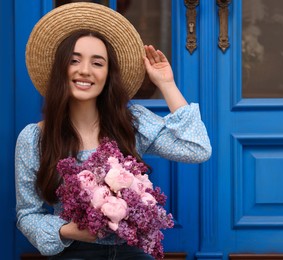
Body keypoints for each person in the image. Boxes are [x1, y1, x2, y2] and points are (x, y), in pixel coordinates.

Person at [15, 2, 211, 259]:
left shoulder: (131, 123)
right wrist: (69, 230)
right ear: (61, 69)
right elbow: (27, 214)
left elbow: (197, 149)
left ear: (108, 74)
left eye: (98, 63)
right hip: (73, 252)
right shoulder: (34, 138)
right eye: (74, 60)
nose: (85, 70)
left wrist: (167, 84)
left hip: (133, 252)